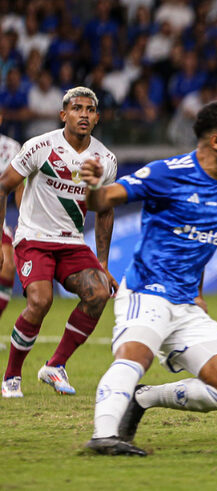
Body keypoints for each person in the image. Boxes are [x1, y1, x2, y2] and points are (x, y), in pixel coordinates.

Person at [81, 100, 217, 456]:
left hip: (186, 302)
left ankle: (144, 398)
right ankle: (103, 436)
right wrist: (94, 186)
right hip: (147, 290)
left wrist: (200, 293)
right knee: (134, 357)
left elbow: (203, 242)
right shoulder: (166, 173)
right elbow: (104, 201)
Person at [0, 87, 118, 398]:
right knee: (40, 301)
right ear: (63, 114)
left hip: (72, 243)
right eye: (77, 108)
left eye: (90, 109)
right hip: (34, 238)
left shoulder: (105, 159)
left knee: (99, 293)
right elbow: (3, 187)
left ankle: (55, 366)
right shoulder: (40, 146)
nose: (84, 114)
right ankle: (11, 376)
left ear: (96, 118)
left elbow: (104, 209)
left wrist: (102, 263)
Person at [0, 114, 22, 329]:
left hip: (0, 217)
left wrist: (24, 218)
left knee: (7, 267)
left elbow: (20, 185)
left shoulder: (11, 148)